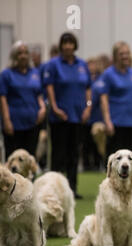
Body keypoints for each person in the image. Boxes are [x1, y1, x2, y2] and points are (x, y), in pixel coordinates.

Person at [43, 32, 92, 199]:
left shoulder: (82, 65)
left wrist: (88, 107)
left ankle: (72, 188)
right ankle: (53, 189)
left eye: (71, 43)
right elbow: (49, 88)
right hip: (60, 117)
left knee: (73, 154)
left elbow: (87, 88)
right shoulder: (53, 65)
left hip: (77, 116)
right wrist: (54, 108)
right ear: (61, 46)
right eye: (65, 43)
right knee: (58, 154)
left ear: (75, 45)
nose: (68, 46)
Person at [0, 41, 46, 158]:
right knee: (13, 157)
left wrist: (42, 108)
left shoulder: (35, 73)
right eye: (20, 53)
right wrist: (6, 120)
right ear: (14, 55)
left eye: (26, 52)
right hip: (14, 123)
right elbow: (3, 98)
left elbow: (39, 94)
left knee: (29, 158)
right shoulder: (7, 74)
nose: (23, 56)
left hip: (33, 122)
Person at [98, 42, 132, 159]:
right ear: (115, 56)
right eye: (121, 53)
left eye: (127, 53)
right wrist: (107, 121)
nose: (125, 56)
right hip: (116, 122)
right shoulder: (108, 74)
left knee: (131, 160)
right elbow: (103, 99)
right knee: (114, 159)